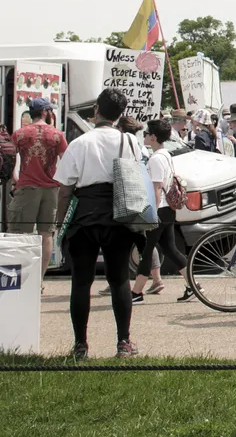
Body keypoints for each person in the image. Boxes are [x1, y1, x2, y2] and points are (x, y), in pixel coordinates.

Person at [53, 89, 142, 359]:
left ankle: (80, 346)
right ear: (121, 114)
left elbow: (65, 188)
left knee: (81, 282)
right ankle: (123, 343)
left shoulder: (81, 142)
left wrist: (60, 222)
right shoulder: (130, 141)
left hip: (85, 217)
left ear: (96, 110)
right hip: (119, 214)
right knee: (120, 281)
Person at [130, 119, 190, 304]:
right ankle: (194, 285)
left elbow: (156, 188)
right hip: (168, 209)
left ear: (153, 137)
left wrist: (152, 213)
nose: (145, 136)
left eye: (147, 134)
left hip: (160, 209)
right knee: (170, 249)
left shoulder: (156, 158)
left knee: (147, 251)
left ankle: (137, 292)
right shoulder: (165, 155)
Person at [9, 97, 68, 283]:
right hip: (50, 190)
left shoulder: (20, 134)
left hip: (27, 188)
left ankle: (20, 280)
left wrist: (15, 177)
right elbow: (65, 161)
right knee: (46, 234)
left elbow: (11, 159)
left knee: (19, 234)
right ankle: (39, 280)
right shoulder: (57, 134)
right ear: (44, 112)